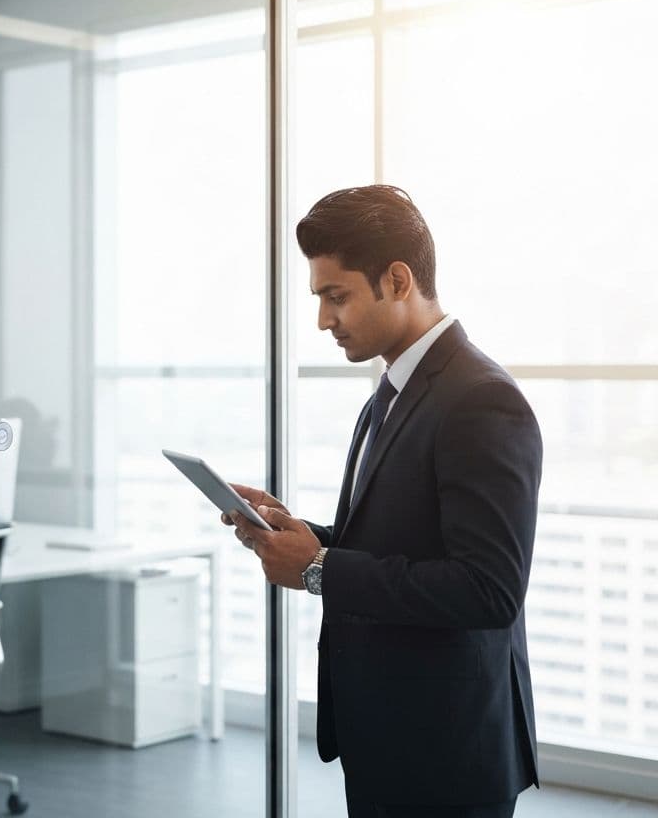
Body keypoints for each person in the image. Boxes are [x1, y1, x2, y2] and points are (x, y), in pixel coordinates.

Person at [225, 185, 542, 818]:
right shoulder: (393, 392)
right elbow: (397, 541)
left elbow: (489, 590)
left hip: (447, 752)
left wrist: (317, 569)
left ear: (397, 281)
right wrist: (297, 534)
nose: (323, 320)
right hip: (390, 734)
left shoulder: (481, 400)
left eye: (336, 296)